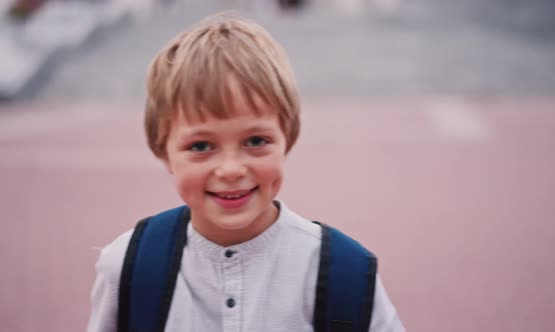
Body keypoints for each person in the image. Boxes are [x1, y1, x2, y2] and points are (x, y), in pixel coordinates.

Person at [87, 12, 405, 332]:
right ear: (163, 151)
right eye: (200, 146)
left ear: (287, 139)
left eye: (256, 141)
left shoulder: (346, 273)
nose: (231, 169)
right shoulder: (128, 266)